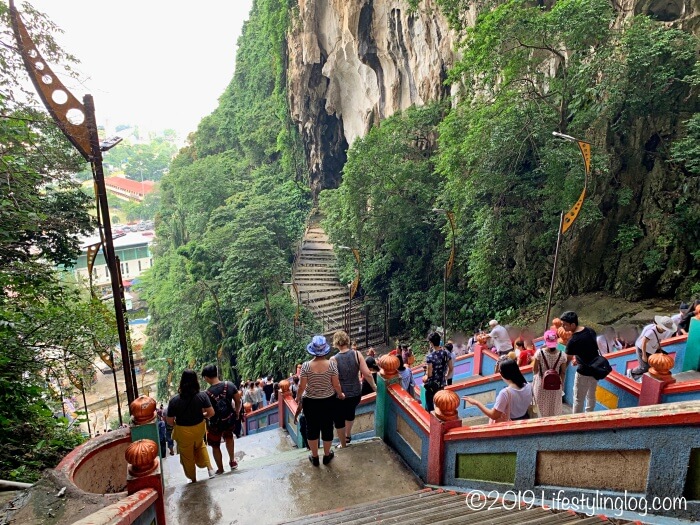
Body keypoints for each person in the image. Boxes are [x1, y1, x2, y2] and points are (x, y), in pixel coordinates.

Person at [294, 335, 345, 466]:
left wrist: (298, 397)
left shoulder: (306, 366)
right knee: (327, 427)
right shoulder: (332, 365)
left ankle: (315, 456)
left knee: (312, 428)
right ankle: (327, 456)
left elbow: (302, 386)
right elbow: (336, 384)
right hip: (328, 401)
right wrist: (340, 394)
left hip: (310, 402)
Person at [165, 370, 216, 482]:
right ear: (196, 381)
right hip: (199, 429)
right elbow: (211, 413)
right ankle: (210, 469)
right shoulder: (202, 396)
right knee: (201, 446)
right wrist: (202, 415)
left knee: (187, 455)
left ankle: (193, 478)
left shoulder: (174, 400)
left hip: (183, 432)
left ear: (181, 381)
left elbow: (169, 421)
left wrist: (177, 424)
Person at [331, 330, 377, 447]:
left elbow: (335, 381)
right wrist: (375, 388)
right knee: (350, 413)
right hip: (356, 393)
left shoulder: (334, 359)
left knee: (339, 419)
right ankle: (348, 435)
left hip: (342, 395)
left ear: (336, 343)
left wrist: (338, 393)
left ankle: (343, 444)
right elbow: (367, 373)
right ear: (347, 340)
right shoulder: (357, 354)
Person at [202, 364, 242, 473]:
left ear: (206, 377)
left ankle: (220, 468)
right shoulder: (230, 385)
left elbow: (206, 412)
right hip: (229, 419)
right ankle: (232, 461)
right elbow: (238, 401)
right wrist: (237, 412)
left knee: (215, 445)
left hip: (215, 424)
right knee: (229, 437)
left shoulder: (206, 394)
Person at [463, 359, 533, 422]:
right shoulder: (528, 386)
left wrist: (476, 403)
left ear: (503, 374)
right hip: (525, 421)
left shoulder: (505, 393)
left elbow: (494, 415)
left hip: (511, 425)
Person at [560, 311, 599, 413]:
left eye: (565, 325)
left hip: (583, 373)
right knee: (591, 396)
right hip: (596, 370)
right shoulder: (590, 331)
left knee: (578, 399)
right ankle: (589, 417)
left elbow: (567, 360)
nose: (563, 327)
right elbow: (590, 349)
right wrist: (578, 359)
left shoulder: (573, 340)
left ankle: (576, 421)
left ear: (573, 324)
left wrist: (561, 374)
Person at [629, 316, 677, 381]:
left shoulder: (662, 331)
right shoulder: (651, 332)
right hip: (642, 348)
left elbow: (658, 339)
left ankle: (642, 377)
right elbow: (644, 342)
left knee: (652, 364)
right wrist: (644, 355)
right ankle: (632, 373)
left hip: (651, 348)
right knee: (644, 367)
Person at [532, 330, 566, 417]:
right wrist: (561, 384)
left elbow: (535, 370)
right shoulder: (562, 355)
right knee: (554, 408)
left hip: (541, 385)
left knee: (541, 409)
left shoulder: (539, 353)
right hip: (555, 386)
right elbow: (563, 372)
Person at [423, 331, 453, 413]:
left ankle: (429, 419)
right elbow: (451, 368)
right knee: (439, 402)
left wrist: (425, 376)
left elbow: (429, 374)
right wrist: (446, 377)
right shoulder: (446, 353)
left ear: (431, 343)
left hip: (432, 384)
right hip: (441, 383)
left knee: (429, 404)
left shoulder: (430, 357)